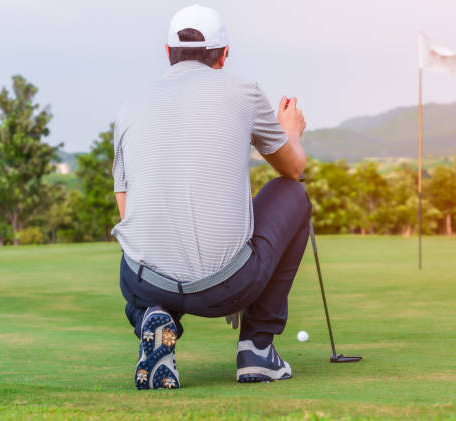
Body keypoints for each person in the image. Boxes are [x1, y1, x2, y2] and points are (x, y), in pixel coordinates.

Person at [111, 4, 310, 389]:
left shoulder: (130, 106)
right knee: (293, 195)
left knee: (139, 268)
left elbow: (126, 205)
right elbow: (292, 169)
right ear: (223, 55)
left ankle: (154, 319)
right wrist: (292, 132)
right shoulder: (244, 91)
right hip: (228, 285)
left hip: (146, 281)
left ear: (168, 53)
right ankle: (257, 348)